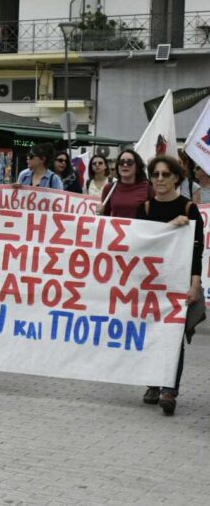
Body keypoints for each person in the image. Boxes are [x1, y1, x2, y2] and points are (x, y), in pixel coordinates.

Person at [135, 155, 204, 415]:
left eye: (166, 174)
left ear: (177, 177)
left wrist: (195, 284)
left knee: (174, 336)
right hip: (151, 283)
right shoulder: (146, 209)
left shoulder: (188, 209)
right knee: (151, 334)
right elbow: (139, 242)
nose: (160, 179)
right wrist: (168, 228)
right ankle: (153, 384)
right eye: (155, 175)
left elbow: (197, 251)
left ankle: (169, 389)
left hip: (178, 283)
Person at [100, 149, 150, 219]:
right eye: (121, 162)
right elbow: (105, 218)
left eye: (130, 162)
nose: (125, 165)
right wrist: (100, 212)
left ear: (137, 166)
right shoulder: (109, 188)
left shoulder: (148, 188)